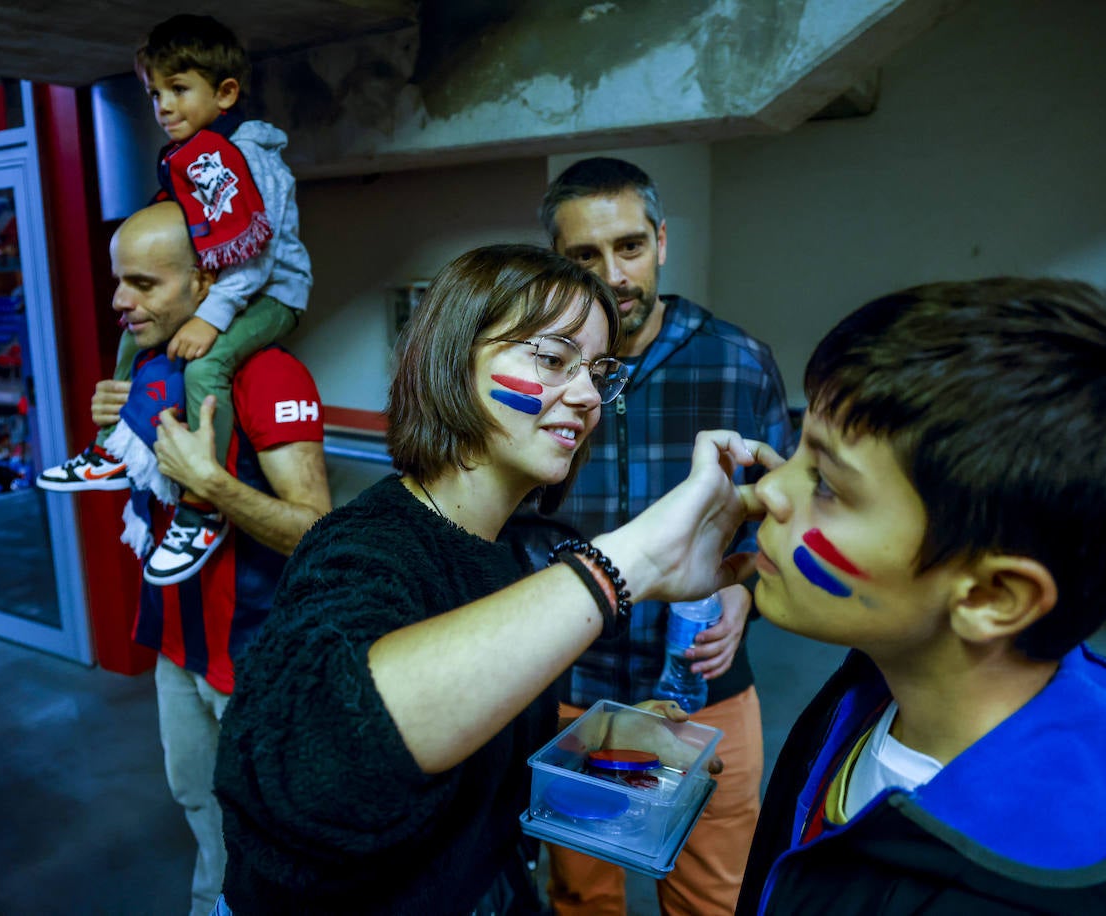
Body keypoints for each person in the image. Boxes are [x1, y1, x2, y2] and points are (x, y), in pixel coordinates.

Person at [212, 243, 780, 915]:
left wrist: (599, 749)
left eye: (598, 371)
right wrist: (633, 563)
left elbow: (469, 751)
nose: (588, 396)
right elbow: (320, 773)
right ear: (455, 361)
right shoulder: (362, 546)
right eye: (553, 359)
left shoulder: (502, 554)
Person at [736, 278, 1106, 914]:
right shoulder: (876, 680)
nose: (770, 488)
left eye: (826, 482)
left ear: (992, 595)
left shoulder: (1027, 891)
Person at [537, 156, 795, 915]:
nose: (613, 275)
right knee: (581, 896)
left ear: (661, 242)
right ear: (557, 260)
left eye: (629, 246)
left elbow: (780, 514)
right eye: (585, 255)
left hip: (704, 690)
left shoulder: (739, 361)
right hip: (570, 687)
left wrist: (748, 591)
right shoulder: (539, 373)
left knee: (713, 897)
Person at [85, 201, 331, 916]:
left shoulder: (268, 374)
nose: (120, 301)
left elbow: (319, 531)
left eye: (143, 284)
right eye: (118, 281)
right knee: (199, 806)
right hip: (177, 640)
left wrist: (215, 485)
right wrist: (119, 431)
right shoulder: (155, 365)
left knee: (273, 834)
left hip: (255, 655)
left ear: (205, 283)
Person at [38, 13, 313, 587]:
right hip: (226, 288)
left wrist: (211, 316)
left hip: (270, 292)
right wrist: (120, 407)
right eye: (155, 93)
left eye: (179, 89)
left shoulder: (245, 156)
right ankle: (111, 450)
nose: (163, 105)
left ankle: (201, 504)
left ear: (225, 93)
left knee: (206, 364)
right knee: (130, 341)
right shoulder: (191, 153)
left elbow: (255, 255)